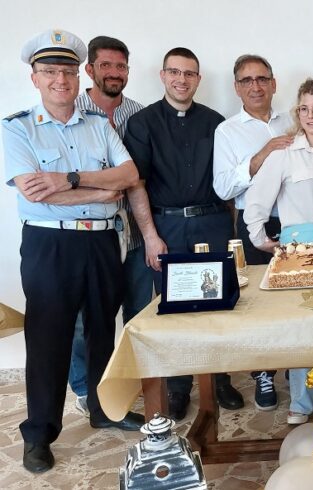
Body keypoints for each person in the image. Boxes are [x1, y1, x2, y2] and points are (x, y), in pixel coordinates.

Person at [3, 29, 144, 474]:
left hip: (102, 241)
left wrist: (71, 180)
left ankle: (103, 408)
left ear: (77, 74)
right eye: (50, 72)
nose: (60, 80)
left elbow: (129, 173)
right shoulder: (17, 127)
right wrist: (102, 192)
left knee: (104, 326)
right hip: (51, 243)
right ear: (35, 77)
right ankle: (39, 434)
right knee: (48, 338)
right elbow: (33, 194)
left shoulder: (99, 125)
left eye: (66, 71)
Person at [123, 47, 243, 421]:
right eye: (174, 72)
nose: (181, 79)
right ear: (163, 76)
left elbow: (227, 181)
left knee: (220, 302)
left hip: (212, 221)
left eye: (189, 73)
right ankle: (179, 387)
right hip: (167, 226)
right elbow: (136, 184)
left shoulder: (215, 122)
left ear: (198, 79)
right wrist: (150, 236)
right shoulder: (142, 123)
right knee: (175, 309)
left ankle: (220, 379)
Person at [243, 78, 313, 424]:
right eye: (304, 108)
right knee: (304, 325)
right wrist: (260, 238)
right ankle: (302, 402)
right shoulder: (284, 152)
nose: (311, 115)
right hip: (302, 254)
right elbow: (256, 200)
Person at [69, 35, 148, 418]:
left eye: (121, 67)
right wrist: (113, 182)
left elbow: (139, 176)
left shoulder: (140, 113)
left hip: (133, 232)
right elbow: (63, 179)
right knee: (86, 319)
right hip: (88, 233)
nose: (114, 73)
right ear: (90, 69)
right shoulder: (71, 109)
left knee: (137, 314)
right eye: (106, 66)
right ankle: (86, 388)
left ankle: (130, 386)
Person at [213, 54, 292, 412]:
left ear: (274, 83)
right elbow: (223, 188)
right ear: (236, 88)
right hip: (253, 223)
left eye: (262, 79)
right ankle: (264, 373)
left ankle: (299, 365)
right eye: (247, 81)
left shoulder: (295, 119)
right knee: (261, 302)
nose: (256, 86)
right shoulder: (227, 131)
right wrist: (261, 156)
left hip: (297, 220)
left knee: (299, 295)